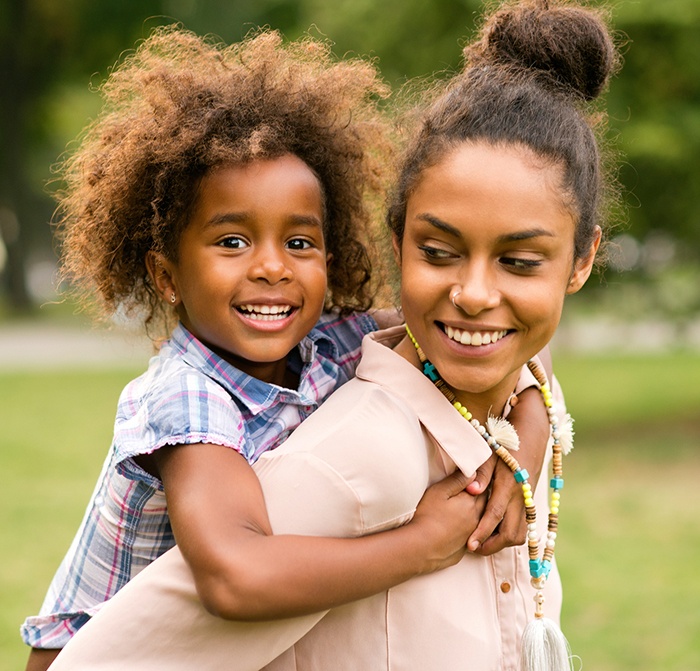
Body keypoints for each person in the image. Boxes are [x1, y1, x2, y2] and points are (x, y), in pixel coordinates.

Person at [43, 1, 621, 670]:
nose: (270, 266)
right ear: (166, 275)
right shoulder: (186, 397)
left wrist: (527, 425)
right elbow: (234, 575)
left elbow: (488, 332)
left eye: (298, 241)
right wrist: (421, 542)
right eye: (231, 240)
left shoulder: (318, 342)